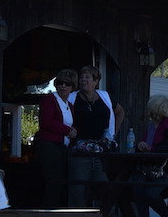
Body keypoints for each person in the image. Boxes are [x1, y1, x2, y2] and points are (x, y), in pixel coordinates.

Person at [32, 70, 80, 208]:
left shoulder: (70, 106)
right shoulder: (49, 100)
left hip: (62, 148)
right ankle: (48, 213)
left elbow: (72, 124)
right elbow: (46, 121)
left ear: (73, 87)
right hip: (49, 146)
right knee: (52, 181)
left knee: (60, 182)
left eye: (68, 83)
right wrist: (68, 131)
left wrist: (75, 130)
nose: (63, 86)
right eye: (60, 83)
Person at [74, 65, 121, 146]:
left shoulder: (105, 97)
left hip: (104, 146)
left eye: (87, 77)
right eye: (81, 77)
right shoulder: (72, 98)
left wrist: (113, 133)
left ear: (95, 81)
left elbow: (120, 111)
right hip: (79, 146)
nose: (83, 79)